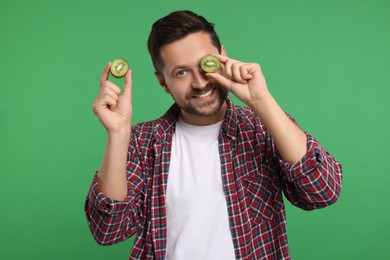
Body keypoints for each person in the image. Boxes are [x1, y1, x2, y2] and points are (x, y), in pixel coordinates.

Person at [84, 10, 342, 260]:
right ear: (163, 82)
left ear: (223, 56)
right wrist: (118, 133)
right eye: (181, 72)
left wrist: (260, 99)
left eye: (206, 64)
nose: (200, 82)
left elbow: (323, 192)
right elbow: (109, 231)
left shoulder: (262, 126)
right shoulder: (142, 142)